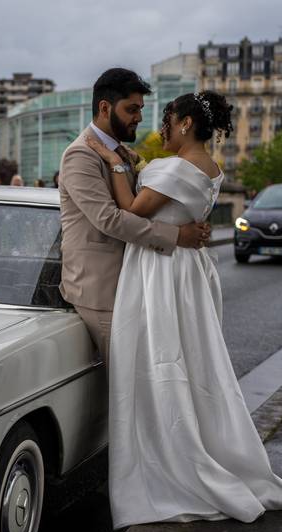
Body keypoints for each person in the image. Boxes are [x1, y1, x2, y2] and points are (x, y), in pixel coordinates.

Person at [83, 88, 282, 528]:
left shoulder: (176, 167)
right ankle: (202, 445)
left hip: (161, 273)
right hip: (190, 273)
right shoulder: (209, 167)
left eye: (165, 121)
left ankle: (170, 461)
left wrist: (112, 166)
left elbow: (130, 209)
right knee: (193, 361)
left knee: (157, 361)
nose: (159, 129)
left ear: (185, 123)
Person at [58, 67, 209, 368]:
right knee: (121, 389)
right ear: (104, 107)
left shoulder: (123, 153)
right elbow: (109, 220)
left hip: (133, 286)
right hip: (101, 294)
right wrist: (178, 235)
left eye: (140, 109)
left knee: (141, 384)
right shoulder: (80, 156)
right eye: (132, 109)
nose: (139, 117)